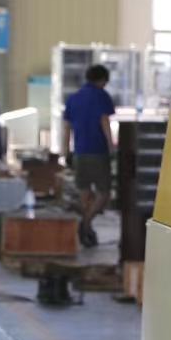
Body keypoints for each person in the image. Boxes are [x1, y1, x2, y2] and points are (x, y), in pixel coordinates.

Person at [62, 63, 116, 247]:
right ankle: (85, 224)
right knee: (104, 193)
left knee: (84, 191)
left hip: (79, 152)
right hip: (97, 150)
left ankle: (87, 230)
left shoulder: (73, 98)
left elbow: (66, 127)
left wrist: (66, 152)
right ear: (102, 80)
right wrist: (111, 146)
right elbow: (104, 121)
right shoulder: (101, 95)